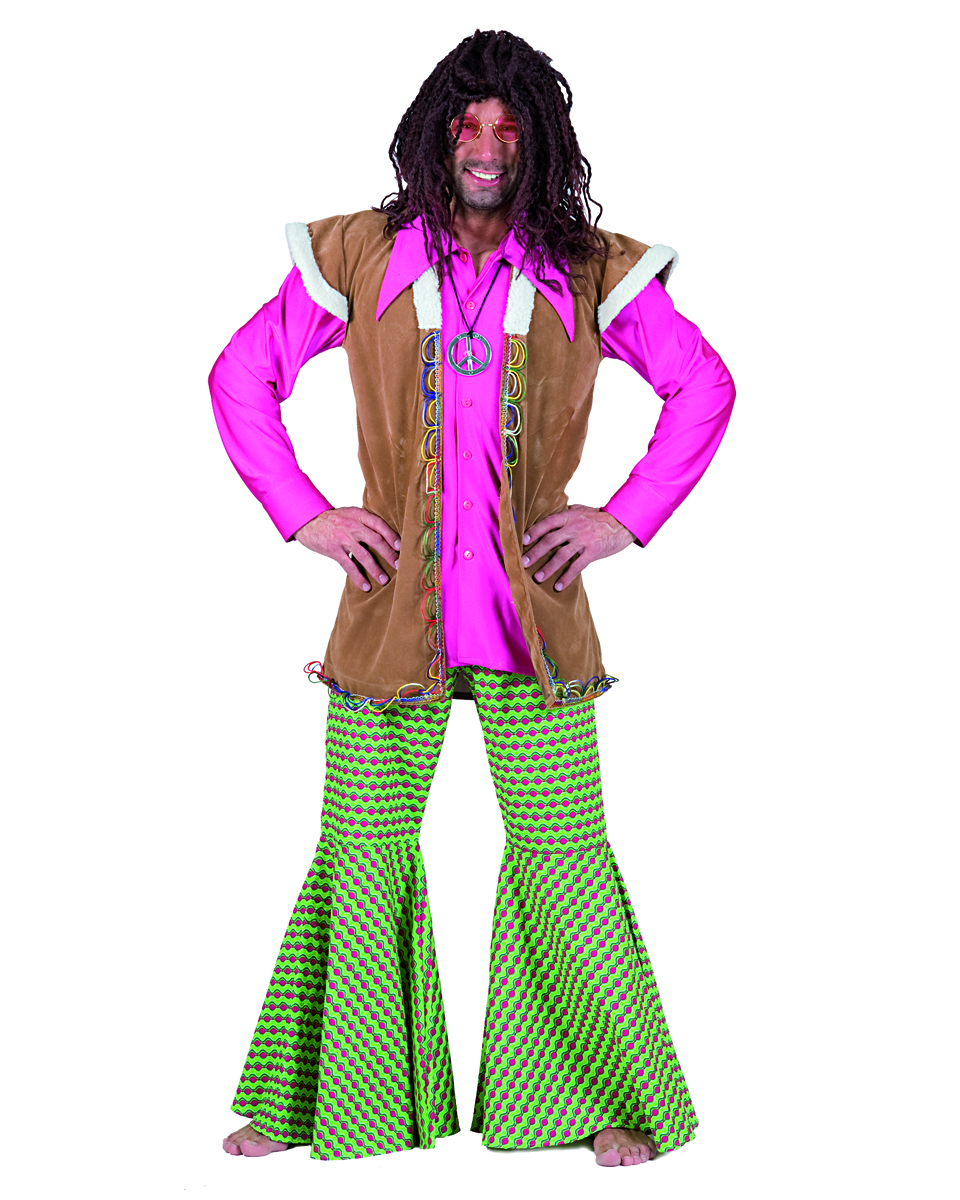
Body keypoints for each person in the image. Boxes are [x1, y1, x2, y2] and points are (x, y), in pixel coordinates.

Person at [209, 28, 735, 1169]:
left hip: (534, 619)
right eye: (466, 125)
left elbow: (702, 385)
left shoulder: (589, 268)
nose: (486, 147)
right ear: (434, 136)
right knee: (358, 847)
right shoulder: (361, 254)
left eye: (507, 127)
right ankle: (320, 1102)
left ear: (539, 140)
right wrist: (307, 514)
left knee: (563, 852)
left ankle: (596, 1100)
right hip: (385, 610)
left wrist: (621, 518)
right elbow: (241, 375)